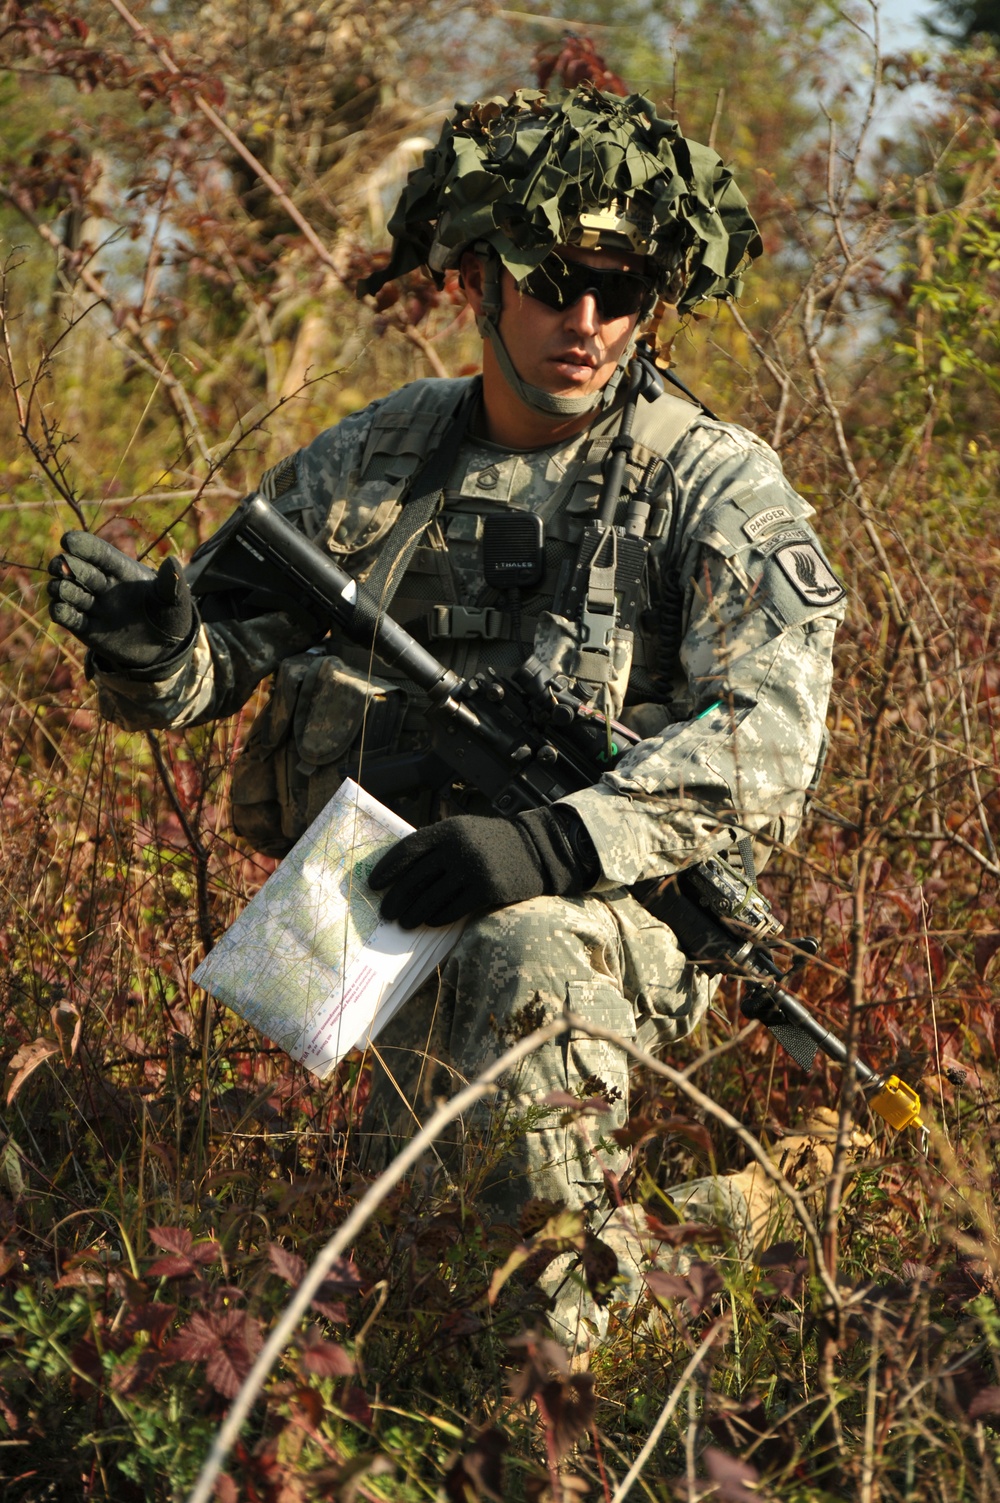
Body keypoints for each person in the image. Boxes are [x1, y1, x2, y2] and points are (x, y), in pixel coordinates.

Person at [47, 84, 845, 1341]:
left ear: (653, 306)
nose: (583, 321)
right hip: (396, 893)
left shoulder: (711, 480)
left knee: (519, 1210)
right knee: (397, 1270)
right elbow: (203, 679)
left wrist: (550, 844)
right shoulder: (382, 454)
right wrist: (153, 651)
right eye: (552, 278)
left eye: (621, 291)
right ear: (485, 278)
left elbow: (769, 736)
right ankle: (701, 1220)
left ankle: (630, 1315)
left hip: (619, 906)